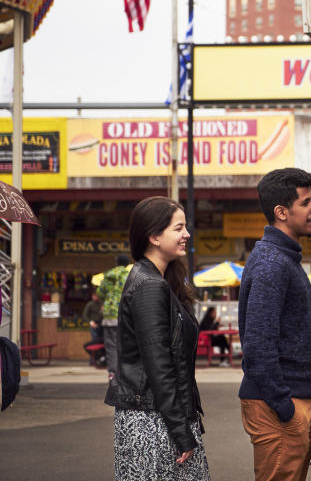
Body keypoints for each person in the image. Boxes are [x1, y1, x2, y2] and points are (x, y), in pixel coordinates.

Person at [104, 197, 209, 480]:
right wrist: (180, 430)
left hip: (158, 415)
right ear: (154, 236)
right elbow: (158, 365)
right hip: (152, 421)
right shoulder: (149, 285)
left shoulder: (159, 280)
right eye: (178, 228)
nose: (187, 234)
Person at [238, 167, 311, 481]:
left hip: (292, 396)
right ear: (281, 212)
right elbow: (257, 344)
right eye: (306, 202)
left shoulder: (283, 259)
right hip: (277, 404)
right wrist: (284, 406)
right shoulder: (272, 263)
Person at [98, 254, 131, 378]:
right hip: (126, 313)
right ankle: (126, 371)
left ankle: (113, 372)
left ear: (116, 262)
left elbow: (100, 292)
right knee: (126, 343)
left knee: (111, 344)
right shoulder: (130, 275)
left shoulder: (109, 274)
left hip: (110, 314)